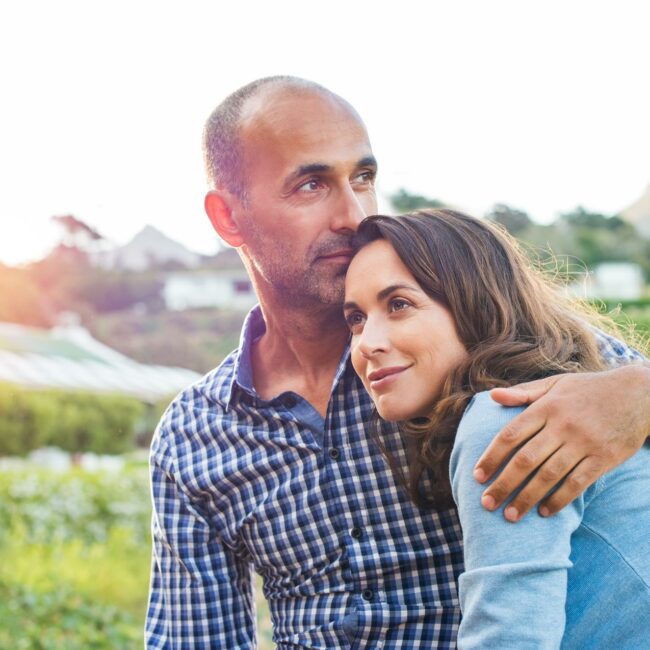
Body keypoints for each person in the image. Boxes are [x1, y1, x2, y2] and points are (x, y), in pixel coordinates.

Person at [145, 76, 650, 648]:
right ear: (228, 218)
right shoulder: (193, 436)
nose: (354, 213)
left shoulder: (475, 348)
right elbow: (193, 638)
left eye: (363, 178)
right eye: (312, 185)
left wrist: (639, 392)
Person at [344, 209, 650, 647]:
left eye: (399, 305)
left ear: (475, 304)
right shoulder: (557, 399)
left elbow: (509, 638)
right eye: (355, 318)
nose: (367, 343)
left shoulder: (506, 418)